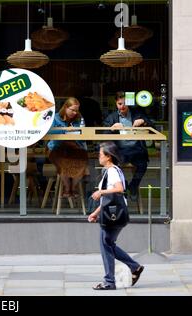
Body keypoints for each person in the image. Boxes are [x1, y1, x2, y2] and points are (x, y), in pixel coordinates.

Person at [88, 142, 144, 290]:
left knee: (105, 245)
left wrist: (101, 192)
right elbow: (110, 199)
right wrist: (95, 213)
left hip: (113, 215)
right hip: (115, 213)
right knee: (108, 244)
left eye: (100, 155)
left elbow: (118, 189)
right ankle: (134, 267)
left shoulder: (112, 171)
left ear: (108, 157)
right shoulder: (113, 171)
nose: (98, 157)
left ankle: (109, 281)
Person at [103, 91, 154, 201]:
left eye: (125, 103)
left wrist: (143, 121)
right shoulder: (112, 117)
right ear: (116, 103)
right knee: (115, 167)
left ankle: (133, 186)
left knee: (142, 165)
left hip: (136, 149)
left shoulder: (137, 114)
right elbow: (103, 135)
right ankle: (124, 186)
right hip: (120, 150)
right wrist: (112, 128)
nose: (122, 106)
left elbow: (152, 127)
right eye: (120, 104)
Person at [47, 97, 88, 197]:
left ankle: (73, 187)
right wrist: (65, 130)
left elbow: (83, 136)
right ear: (65, 107)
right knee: (63, 162)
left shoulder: (79, 119)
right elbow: (49, 131)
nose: (74, 113)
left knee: (83, 163)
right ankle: (67, 186)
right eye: (72, 110)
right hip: (58, 148)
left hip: (75, 148)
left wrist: (78, 133)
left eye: (76, 110)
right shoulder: (56, 117)